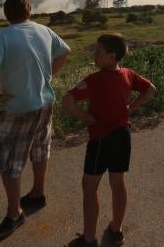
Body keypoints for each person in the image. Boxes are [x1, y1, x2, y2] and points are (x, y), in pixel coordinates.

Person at [0, 0, 71, 240]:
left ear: (6, 13)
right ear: (30, 10)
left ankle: (14, 213)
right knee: (41, 147)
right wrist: (49, 76)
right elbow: (65, 52)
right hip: (44, 103)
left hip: (17, 109)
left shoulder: (2, 37)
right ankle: (37, 193)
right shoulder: (44, 30)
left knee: (9, 159)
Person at [62, 33, 156, 247]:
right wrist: (131, 108)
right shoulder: (129, 74)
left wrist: (85, 117)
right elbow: (150, 89)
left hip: (101, 139)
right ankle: (116, 230)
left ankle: (88, 240)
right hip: (123, 135)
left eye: (98, 52)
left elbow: (67, 100)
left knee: (89, 186)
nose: (94, 55)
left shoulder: (93, 80)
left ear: (112, 56)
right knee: (118, 182)